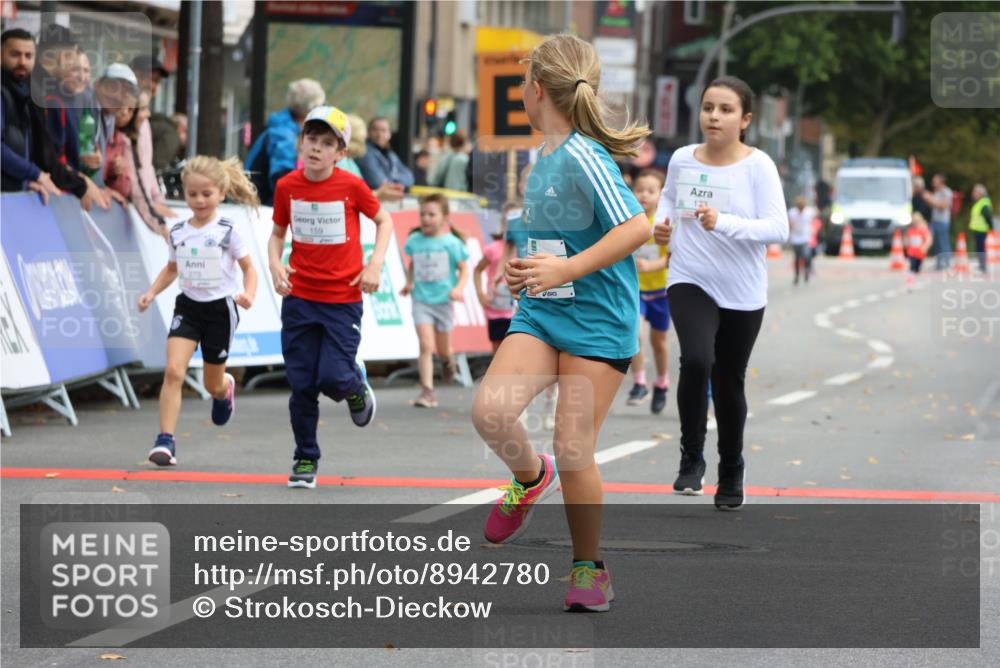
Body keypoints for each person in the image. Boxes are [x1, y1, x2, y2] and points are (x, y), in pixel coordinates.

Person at [470, 34, 651, 613]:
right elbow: (551, 238)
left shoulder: (584, 154)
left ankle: (588, 567)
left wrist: (567, 267)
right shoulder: (543, 155)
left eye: (522, 81)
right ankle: (528, 477)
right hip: (545, 313)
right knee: (490, 412)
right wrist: (522, 269)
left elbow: (636, 228)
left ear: (538, 89)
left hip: (598, 325)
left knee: (574, 448)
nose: (519, 90)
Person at [652, 75, 788, 508]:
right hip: (690, 276)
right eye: (709, 107)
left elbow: (777, 228)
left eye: (726, 109)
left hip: (743, 292)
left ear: (745, 119)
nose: (714, 116)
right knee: (696, 359)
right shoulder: (681, 159)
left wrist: (722, 221)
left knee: (729, 382)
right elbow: (669, 200)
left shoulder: (758, 166)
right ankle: (691, 457)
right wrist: (661, 223)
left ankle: (732, 468)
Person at [267, 105, 394, 490]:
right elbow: (276, 233)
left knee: (333, 376)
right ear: (301, 143)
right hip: (300, 298)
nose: (317, 148)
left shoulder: (352, 187)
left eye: (327, 143)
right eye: (312, 140)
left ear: (340, 153)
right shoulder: (287, 186)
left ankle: (354, 386)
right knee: (302, 383)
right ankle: (305, 456)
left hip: (343, 299)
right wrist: (275, 264)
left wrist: (374, 266)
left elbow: (384, 221)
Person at [137, 156, 260, 467]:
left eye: (206, 194)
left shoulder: (228, 230)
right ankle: (165, 440)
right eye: (192, 194)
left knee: (210, 384)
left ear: (221, 193)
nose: (200, 200)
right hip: (188, 307)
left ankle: (224, 391)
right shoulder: (179, 231)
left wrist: (248, 293)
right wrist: (151, 293)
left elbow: (249, 269)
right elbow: (171, 269)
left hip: (220, 310)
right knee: (173, 371)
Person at [1, 28, 108, 208]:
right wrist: (78, 183)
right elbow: (46, 156)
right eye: (15, 54)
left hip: (27, 192)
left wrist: (27, 180)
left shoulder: (36, 90)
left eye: (28, 55)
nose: (22, 61)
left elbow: (34, 149)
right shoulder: (39, 94)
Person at [400, 193, 469, 407]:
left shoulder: (452, 243)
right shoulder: (414, 241)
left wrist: (458, 288)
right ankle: (427, 391)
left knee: (444, 350)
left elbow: (464, 269)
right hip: (421, 300)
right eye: (422, 214)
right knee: (425, 345)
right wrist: (409, 283)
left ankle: (448, 363)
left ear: (445, 217)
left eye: (431, 214)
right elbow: (413, 264)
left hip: (444, 301)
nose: (426, 219)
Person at [626, 168, 671, 414]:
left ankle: (662, 382)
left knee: (659, 342)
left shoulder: (664, 224)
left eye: (650, 191)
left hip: (661, 291)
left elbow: (671, 258)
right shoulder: (628, 222)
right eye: (639, 190)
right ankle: (640, 381)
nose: (644, 195)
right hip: (636, 290)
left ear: (661, 195)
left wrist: (649, 265)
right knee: (635, 333)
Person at [245, 78, 326, 206]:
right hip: (262, 207)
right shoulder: (283, 133)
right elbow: (282, 178)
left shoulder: (284, 125)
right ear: (310, 110)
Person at [474, 201, 518, 353]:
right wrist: (481, 295)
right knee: (498, 354)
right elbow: (477, 270)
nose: (512, 226)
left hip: (518, 312)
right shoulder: (493, 249)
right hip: (496, 311)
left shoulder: (527, 247)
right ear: (503, 223)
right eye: (508, 221)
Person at [356, 116, 414, 191]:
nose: (379, 134)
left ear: (389, 134)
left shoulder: (390, 153)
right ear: (368, 132)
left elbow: (410, 177)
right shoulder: (364, 152)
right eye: (375, 130)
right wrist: (396, 178)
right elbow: (377, 182)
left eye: (384, 130)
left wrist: (390, 178)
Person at [924, 173, 953, 270]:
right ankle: (939, 263)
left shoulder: (946, 192)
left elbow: (943, 206)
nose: (933, 183)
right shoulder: (936, 192)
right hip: (935, 221)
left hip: (943, 222)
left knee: (943, 243)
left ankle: (946, 263)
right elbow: (933, 206)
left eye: (935, 181)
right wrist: (928, 200)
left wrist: (930, 199)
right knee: (936, 243)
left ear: (941, 182)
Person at [788, 195, 816, 285]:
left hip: (805, 237)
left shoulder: (808, 212)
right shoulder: (792, 213)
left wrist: (813, 229)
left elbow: (814, 218)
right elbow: (790, 225)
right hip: (795, 238)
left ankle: (807, 271)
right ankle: (796, 275)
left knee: (806, 255)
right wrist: (791, 226)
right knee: (797, 257)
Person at [903, 211, 932, 290]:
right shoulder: (911, 230)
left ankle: (914, 277)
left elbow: (928, 239)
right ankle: (910, 283)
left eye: (917, 222)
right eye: (914, 222)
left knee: (917, 269)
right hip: (912, 253)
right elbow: (906, 238)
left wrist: (925, 247)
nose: (915, 224)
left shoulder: (923, 230)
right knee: (912, 267)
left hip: (920, 253)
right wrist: (906, 244)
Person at [969, 184, 993, 274]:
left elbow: (988, 216)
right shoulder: (981, 202)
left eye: (975, 192)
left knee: (981, 248)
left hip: (981, 230)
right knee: (979, 248)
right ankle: (981, 265)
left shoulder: (983, 203)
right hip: (978, 229)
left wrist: (990, 227)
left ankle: (982, 266)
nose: (973, 194)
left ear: (980, 193)